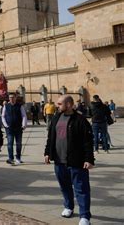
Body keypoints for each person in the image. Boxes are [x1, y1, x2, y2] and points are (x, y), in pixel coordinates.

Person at [44, 95, 94, 225]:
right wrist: (47, 153)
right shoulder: (55, 118)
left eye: (60, 104)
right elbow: (50, 137)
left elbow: (88, 142)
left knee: (81, 189)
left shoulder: (81, 120)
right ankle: (68, 207)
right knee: (64, 187)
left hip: (76, 161)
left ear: (69, 104)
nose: (57, 106)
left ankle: (84, 216)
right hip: (59, 161)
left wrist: (89, 159)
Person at [2, 93, 27, 165]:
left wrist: (24, 125)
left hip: (18, 128)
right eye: (10, 97)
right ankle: (11, 158)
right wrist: (5, 125)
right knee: (10, 143)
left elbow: (24, 116)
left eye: (13, 97)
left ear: (15, 98)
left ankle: (18, 158)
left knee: (18, 144)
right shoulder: (6, 106)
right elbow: (3, 116)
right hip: (9, 129)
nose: (11, 99)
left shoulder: (20, 106)